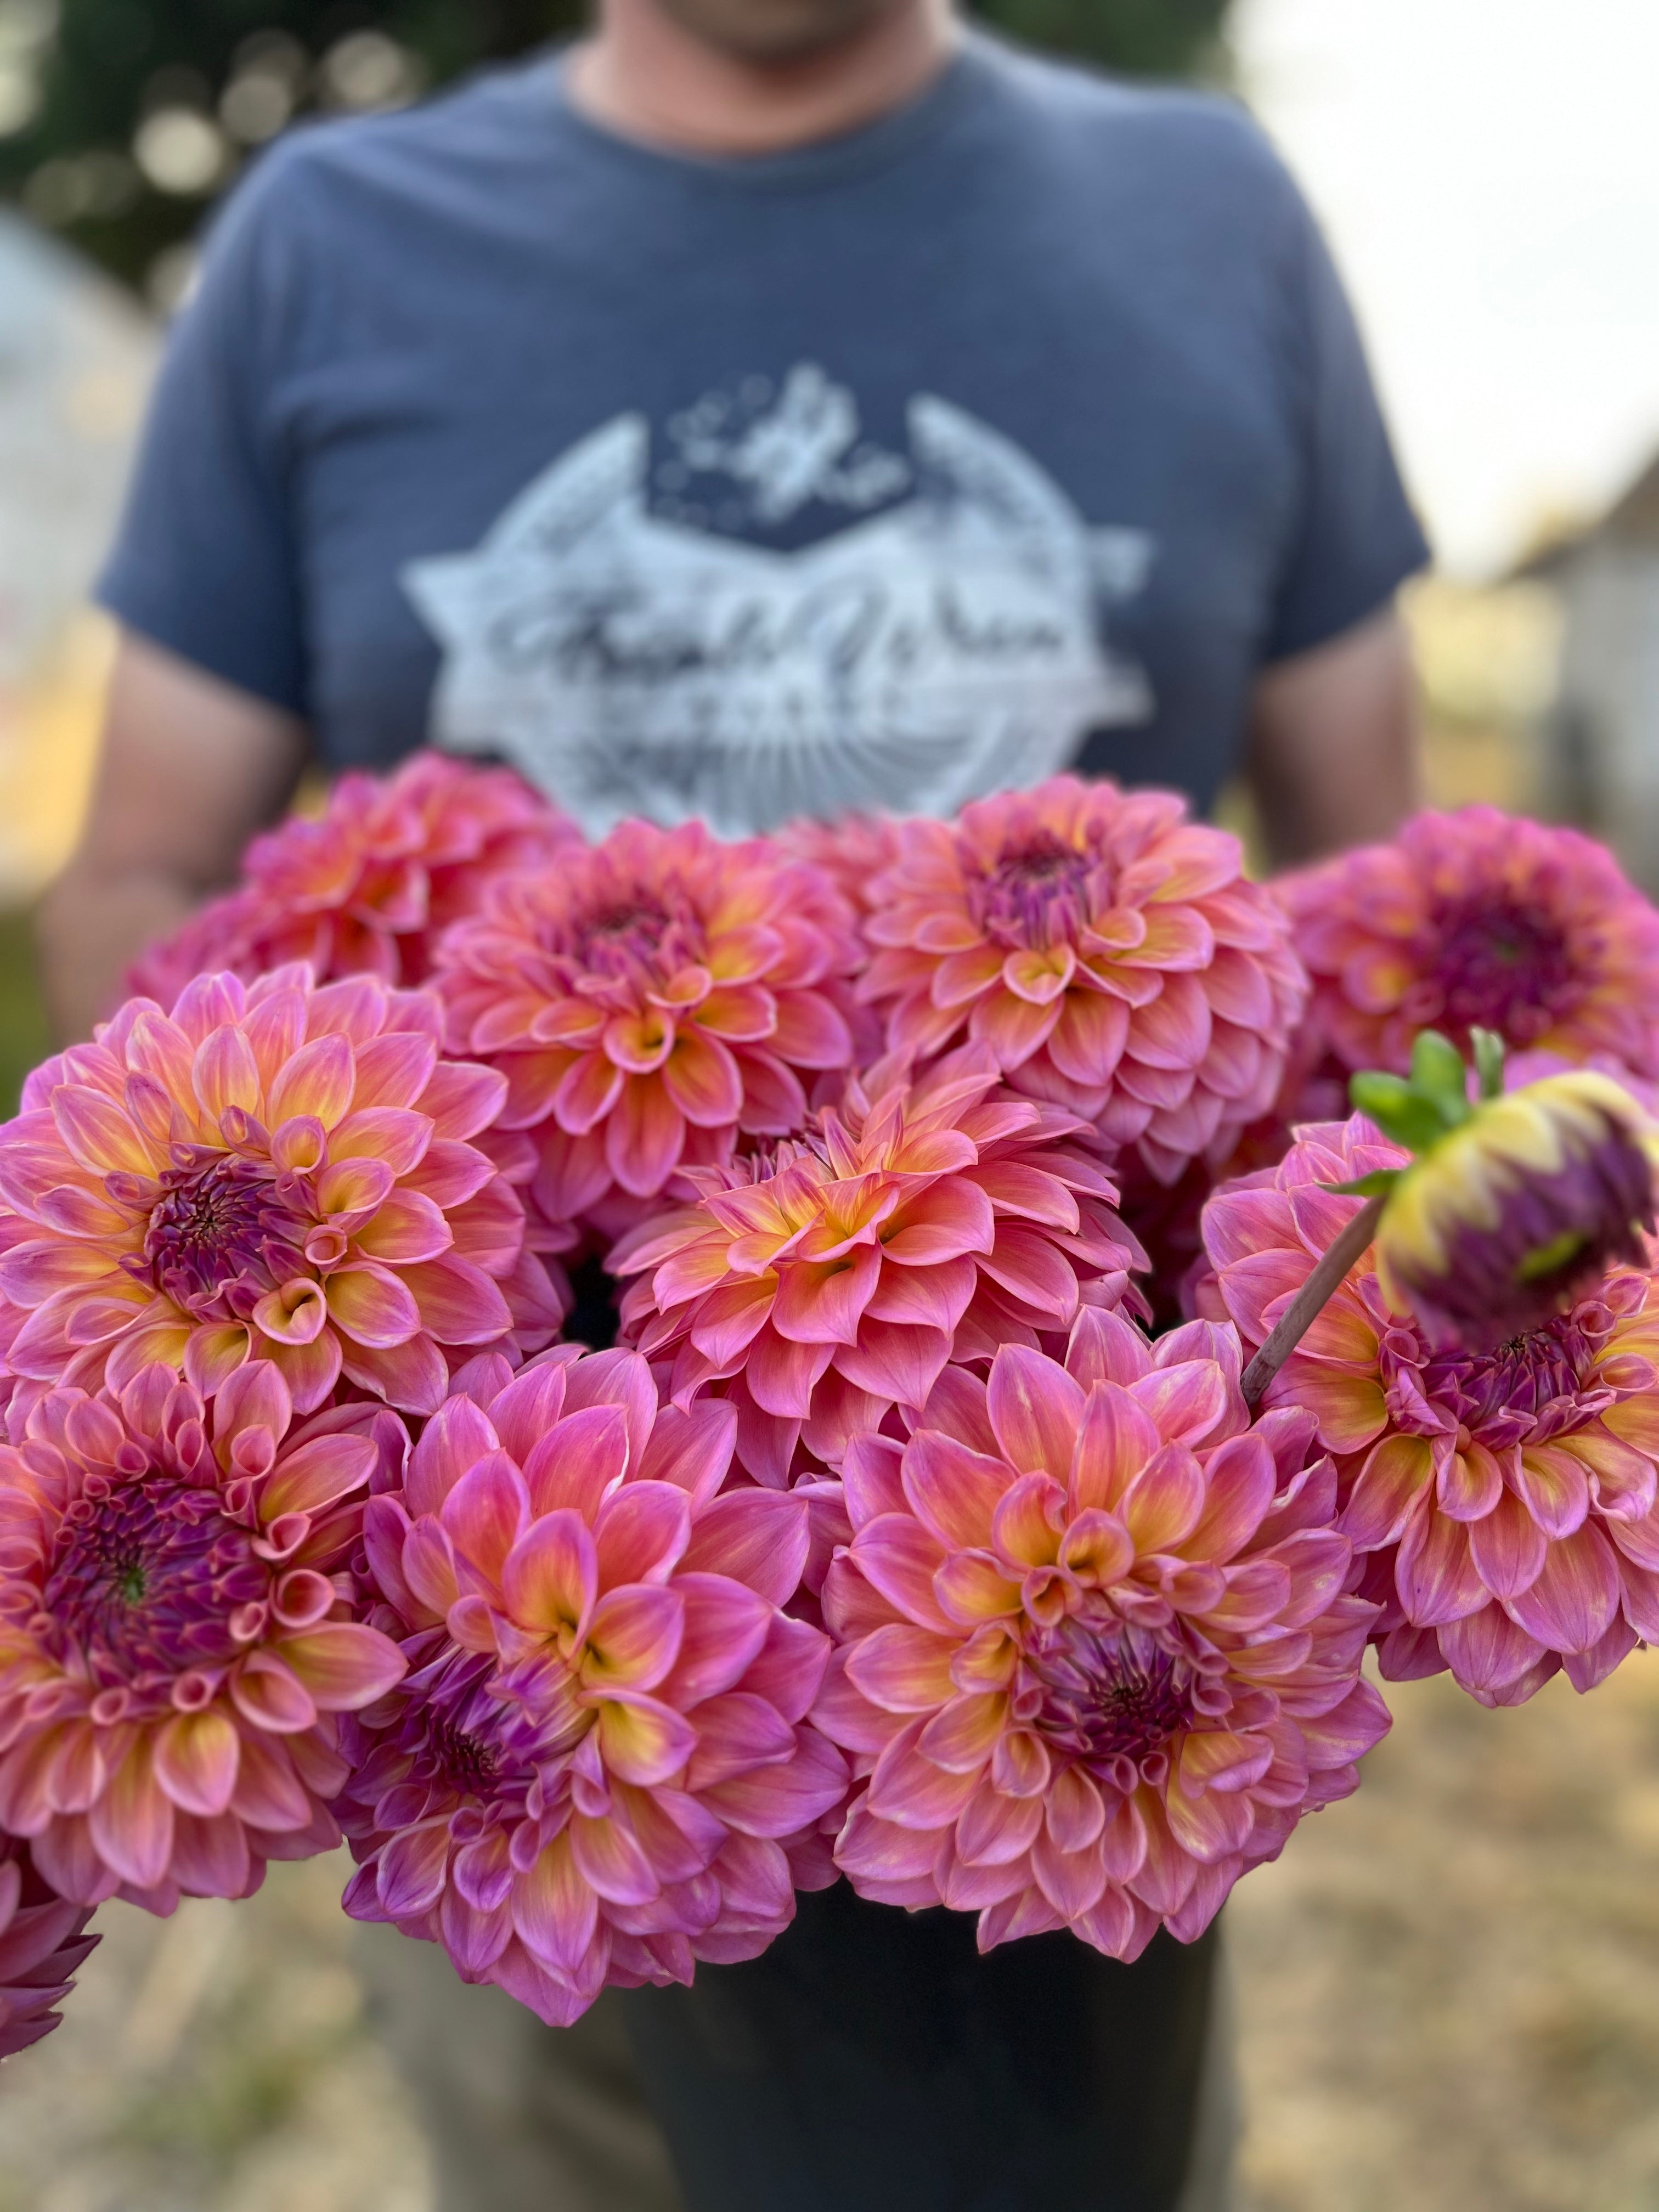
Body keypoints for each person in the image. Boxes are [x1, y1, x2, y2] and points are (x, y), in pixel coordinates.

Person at [39, 0, 1427, 2204]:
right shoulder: (324, 238)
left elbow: (1390, 908)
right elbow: (137, 874)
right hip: (483, 1657)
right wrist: (320, 1333)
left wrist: (1347, 1389)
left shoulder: (1214, 215)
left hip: (1078, 1594)